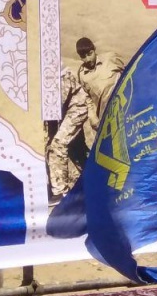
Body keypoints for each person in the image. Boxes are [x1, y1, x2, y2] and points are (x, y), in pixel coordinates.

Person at [47, 66, 94, 200]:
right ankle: (97, 179)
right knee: (76, 151)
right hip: (66, 110)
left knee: (58, 144)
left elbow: (54, 106)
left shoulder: (54, 70)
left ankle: (60, 192)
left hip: (77, 107)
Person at [75, 38, 126, 127]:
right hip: (105, 120)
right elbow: (87, 99)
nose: (88, 59)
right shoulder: (82, 75)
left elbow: (128, 73)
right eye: (83, 57)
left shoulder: (111, 58)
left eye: (90, 54)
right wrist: (93, 117)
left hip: (125, 110)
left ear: (94, 49)